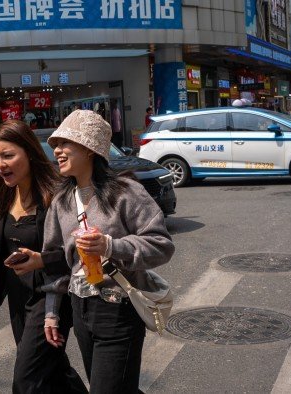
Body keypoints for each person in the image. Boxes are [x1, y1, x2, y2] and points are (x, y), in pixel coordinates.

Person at [41, 110, 175, 393]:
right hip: (81, 308)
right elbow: (54, 262)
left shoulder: (126, 191)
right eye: (56, 145)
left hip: (119, 309)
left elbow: (161, 245)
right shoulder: (61, 200)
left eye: (66, 143)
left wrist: (111, 246)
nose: (57, 151)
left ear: (89, 148)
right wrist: (52, 312)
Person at [0, 120, 87, 394]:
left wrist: (41, 259)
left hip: (50, 296)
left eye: (8, 156)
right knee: (54, 371)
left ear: (29, 153)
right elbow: (11, 241)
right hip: (17, 296)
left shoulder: (56, 195)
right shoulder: (4, 192)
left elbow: (77, 253)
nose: (0, 164)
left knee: (26, 380)